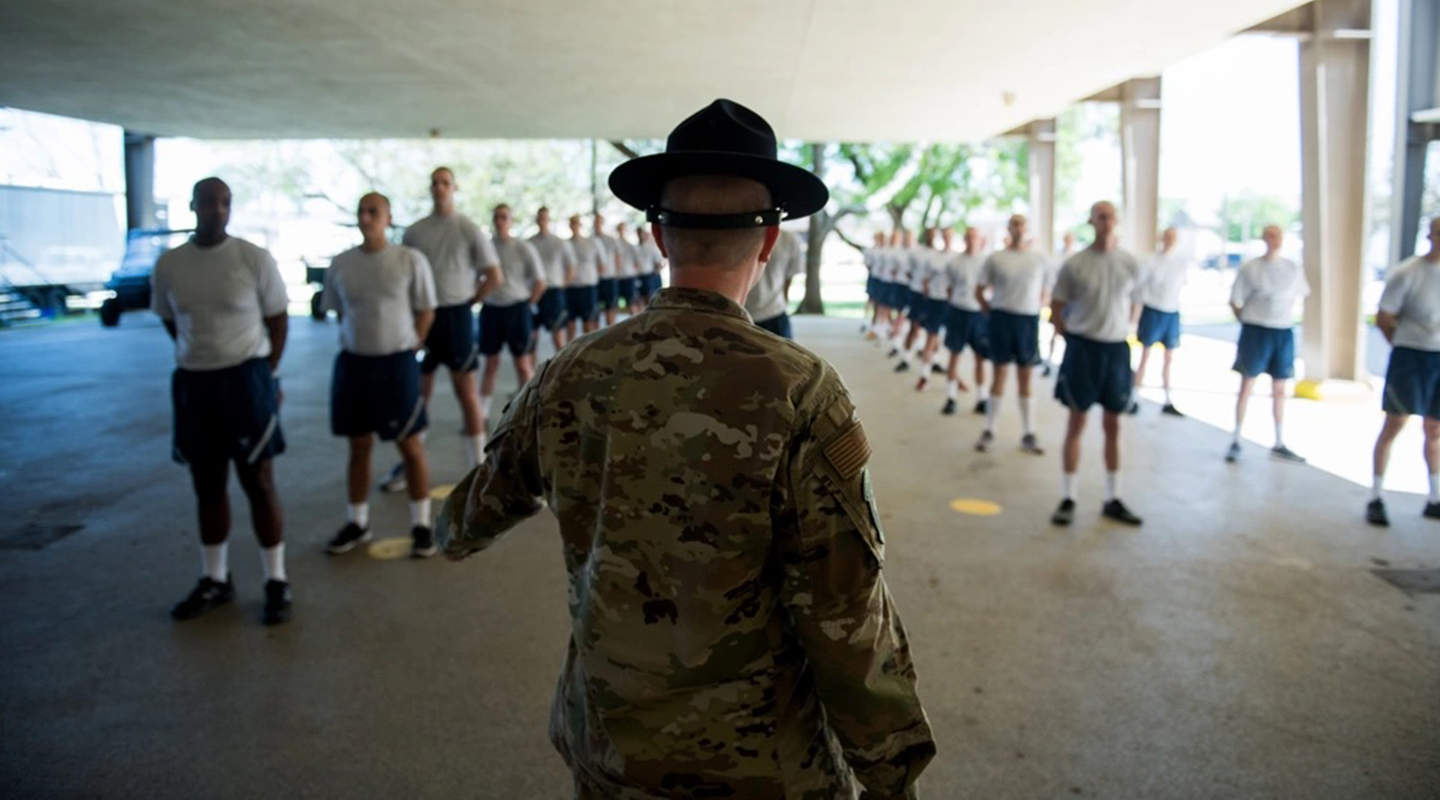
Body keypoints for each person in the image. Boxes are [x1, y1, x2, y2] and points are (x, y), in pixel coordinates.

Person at [437, 99, 934, 800]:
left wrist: (443, 528)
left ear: (657, 236)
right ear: (767, 245)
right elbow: (844, 615)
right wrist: (892, 775)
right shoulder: (799, 390)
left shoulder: (568, 373)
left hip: (610, 751)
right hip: (759, 765)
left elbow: (472, 516)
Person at [153, 177, 292, 625]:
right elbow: (172, 321)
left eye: (225, 202)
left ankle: (276, 580)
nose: (218, 209)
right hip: (196, 385)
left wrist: (266, 376)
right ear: (193, 206)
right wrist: (201, 356)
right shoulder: (171, 265)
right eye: (209, 202)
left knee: (259, 481)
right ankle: (216, 578)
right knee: (207, 485)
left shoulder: (252, 259)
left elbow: (278, 321)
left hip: (246, 381)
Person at [323, 192, 439, 558]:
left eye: (374, 211)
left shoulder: (408, 260)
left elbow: (426, 310)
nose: (366, 217)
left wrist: (411, 346)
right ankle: (357, 521)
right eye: (361, 211)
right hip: (354, 364)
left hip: (397, 364)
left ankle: (421, 525)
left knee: (410, 445)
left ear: (388, 218)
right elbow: (340, 312)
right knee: (358, 446)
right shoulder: (341, 264)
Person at [386, 167, 501, 492]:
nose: (439, 187)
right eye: (434, 182)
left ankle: (480, 469)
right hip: (423, 315)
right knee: (417, 392)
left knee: (465, 390)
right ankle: (410, 464)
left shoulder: (467, 228)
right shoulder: (415, 231)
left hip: (456, 316)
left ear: (454, 187)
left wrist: (468, 303)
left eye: (445, 183)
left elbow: (493, 276)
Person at [1049, 202, 1145, 527]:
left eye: (1111, 216)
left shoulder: (1129, 262)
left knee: (1113, 424)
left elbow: (1137, 302)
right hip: (1083, 349)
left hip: (1116, 350)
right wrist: (1072, 342)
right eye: (1100, 216)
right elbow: (1056, 308)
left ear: (1117, 221)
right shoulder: (1075, 264)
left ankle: (1112, 497)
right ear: (1091, 221)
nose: (1106, 222)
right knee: (1077, 422)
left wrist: (1124, 331)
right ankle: (1069, 496)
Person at [1367, 217, 1440, 526]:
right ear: (1430, 235)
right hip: (1410, 357)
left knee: (1434, 429)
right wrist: (1401, 344)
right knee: (1395, 424)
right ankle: (1376, 495)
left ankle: (1434, 497)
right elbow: (1384, 317)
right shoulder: (1408, 273)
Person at [1226, 225, 1308, 464]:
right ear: (1263, 238)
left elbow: (1301, 296)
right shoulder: (1251, 268)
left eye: (1278, 236)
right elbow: (1234, 301)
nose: (1275, 240)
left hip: (1282, 332)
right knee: (1247, 384)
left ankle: (1279, 441)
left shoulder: (1292, 268)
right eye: (1270, 235)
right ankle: (1236, 438)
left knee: (1280, 388)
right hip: (1255, 331)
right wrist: (1247, 320)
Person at [975, 213, 1049, 455]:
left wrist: (1036, 308)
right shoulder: (996, 258)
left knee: (1025, 376)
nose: (1017, 227)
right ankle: (990, 429)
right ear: (1009, 228)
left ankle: (1028, 432)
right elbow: (979, 290)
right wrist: (991, 313)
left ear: (1026, 228)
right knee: (999, 373)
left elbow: (1047, 291)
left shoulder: (1038, 259)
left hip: (1027, 321)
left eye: (1021, 223)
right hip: (1002, 319)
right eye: (1014, 223)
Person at [479, 204, 547, 416]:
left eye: (504, 217)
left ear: (511, 221)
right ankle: (482, 413)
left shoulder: (523, 248)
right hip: (491, 310)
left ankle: (529, 411)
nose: (500, 221)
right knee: (490, 363)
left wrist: (528, 304)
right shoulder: (485, 248)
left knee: (522, 363)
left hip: (517, 309)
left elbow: (540, 281)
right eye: (496, 217)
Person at [1130, 227, 1188, 416]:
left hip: (1171, 313)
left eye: (1173, 237)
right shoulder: (1151, 261)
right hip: (1152, 311)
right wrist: (1134, 316)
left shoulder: (1180, 263)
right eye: (1167, 237)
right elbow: (1139, 289)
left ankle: (1167, 399)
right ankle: (1135, 396)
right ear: (1161, 238)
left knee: (1168, 359)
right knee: (1145, 355)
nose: (1170, 240)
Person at [939, 225, 991, 415]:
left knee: (980, 359)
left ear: (980, 240)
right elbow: (949, 288)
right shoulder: (955, 263)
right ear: (964, 240)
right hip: (959, 311)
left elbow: (990, 288)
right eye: (968, 237)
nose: (971, 240)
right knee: (954, 355)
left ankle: (982, 397)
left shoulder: (986, 262)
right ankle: (951, 397)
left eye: (974, 237)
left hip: (978, 315)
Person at [528, 206, 577, 353]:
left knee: (558, 336)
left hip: (553, 292)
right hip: (534, 293)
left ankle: (562, 371)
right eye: (540, 217)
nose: (542, 220)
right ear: (537, 220)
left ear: (548, 220)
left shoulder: (560, 243)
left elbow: (571, 266)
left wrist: (563, 285)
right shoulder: (529, 243)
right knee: (532, 335)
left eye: (545, 217)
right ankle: (533, 374)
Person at [913, 226, 955, 388]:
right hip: (936, 301)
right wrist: (929, 296)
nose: (947, 239)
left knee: (953, 344)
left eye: (949, 236)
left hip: (953, 304)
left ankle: (953, 380)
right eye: (944, 236)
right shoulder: (934, 258)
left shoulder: (957, 258)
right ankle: (924, 375)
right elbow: (924, 280)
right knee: (931, 337)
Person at [744, 226, 804, 338]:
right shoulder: (735, 235)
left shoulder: (789, 239)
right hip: (740, 314)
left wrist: (784, 303)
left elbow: (788, 278)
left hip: (774, 314)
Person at [1041, 231, 1078, 378]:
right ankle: (1049, 361)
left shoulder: (1076, 259)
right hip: (1061, 300)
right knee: (1055, 331)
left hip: (1073, 302)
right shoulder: (1057, 259)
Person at [564, 214, 604, 338]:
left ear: (580, 225)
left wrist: (590, 276)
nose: (574, 225)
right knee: (570, 324)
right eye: (572, 222)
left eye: (576, 222)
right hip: (571, 288)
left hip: (588, 288)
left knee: (588, 323)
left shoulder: (592, 242)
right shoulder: (565, 244)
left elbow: (602, 264)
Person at [594, 213, 622, 326]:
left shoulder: (611, 240)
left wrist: (617, 272)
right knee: (594, 311)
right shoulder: (590, 240)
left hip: (610, 278)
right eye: (595, 222)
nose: (597, 224)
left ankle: (611, 332)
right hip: (596, 280)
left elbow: (618, 257)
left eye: (599, 221)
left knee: (610, 308)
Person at [634, 226, 665, 312]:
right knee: (640, 299)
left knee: (650, 298)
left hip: (650, 276)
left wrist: (655, 274)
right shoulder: (636, 248)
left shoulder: (651, 247)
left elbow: (659, 262)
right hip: (640, 276)